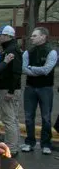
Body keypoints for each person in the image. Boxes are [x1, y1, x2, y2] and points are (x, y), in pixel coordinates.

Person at [21, 26, 56, 154]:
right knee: (29, 117)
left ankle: (46, 144)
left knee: (46, 117)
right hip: (30, 88)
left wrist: (32, 69)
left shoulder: (51, 52)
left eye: (34, 36)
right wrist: (36, 70)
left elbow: (47, 70)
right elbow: (24, 69)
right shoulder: (27, 52)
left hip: (46, 88)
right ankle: (29, 142)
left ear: (43, 36)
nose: (31, 38)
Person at [0, 25, 22, 156]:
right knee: (13, 118)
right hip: (10, 88)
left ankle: (11, 147)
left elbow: (16, 72)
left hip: (8, 89)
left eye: (0, 35)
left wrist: (11, 90)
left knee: (9, 119)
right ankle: (14, 144)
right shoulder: (12, 49)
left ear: (7, 36)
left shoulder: (11, 50)